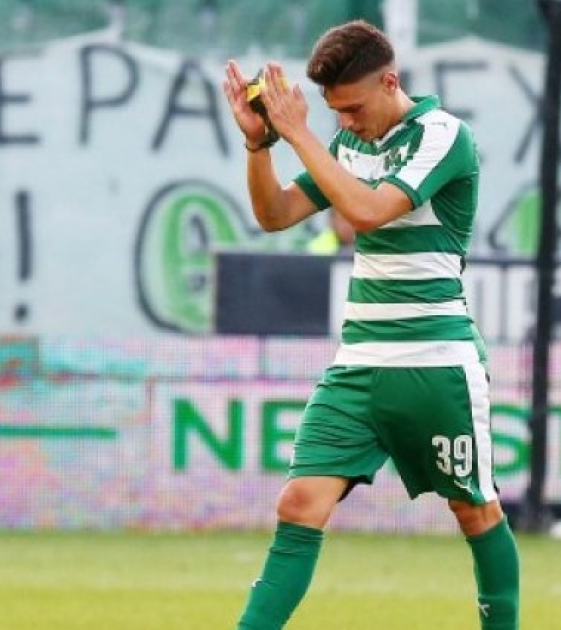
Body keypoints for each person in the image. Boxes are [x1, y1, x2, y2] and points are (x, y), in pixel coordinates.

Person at [220, 19, 521, 630]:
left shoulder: (444, 135)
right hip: (359, 364)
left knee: (474, 511)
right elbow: (275, 214)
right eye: (336, 112)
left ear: (390, 81)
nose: (347, 122)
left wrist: (299, 133)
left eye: (353, 108)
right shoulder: (345, 144)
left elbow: (366, 210)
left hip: (435, 362)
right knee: (299, 503)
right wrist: (260, 147)